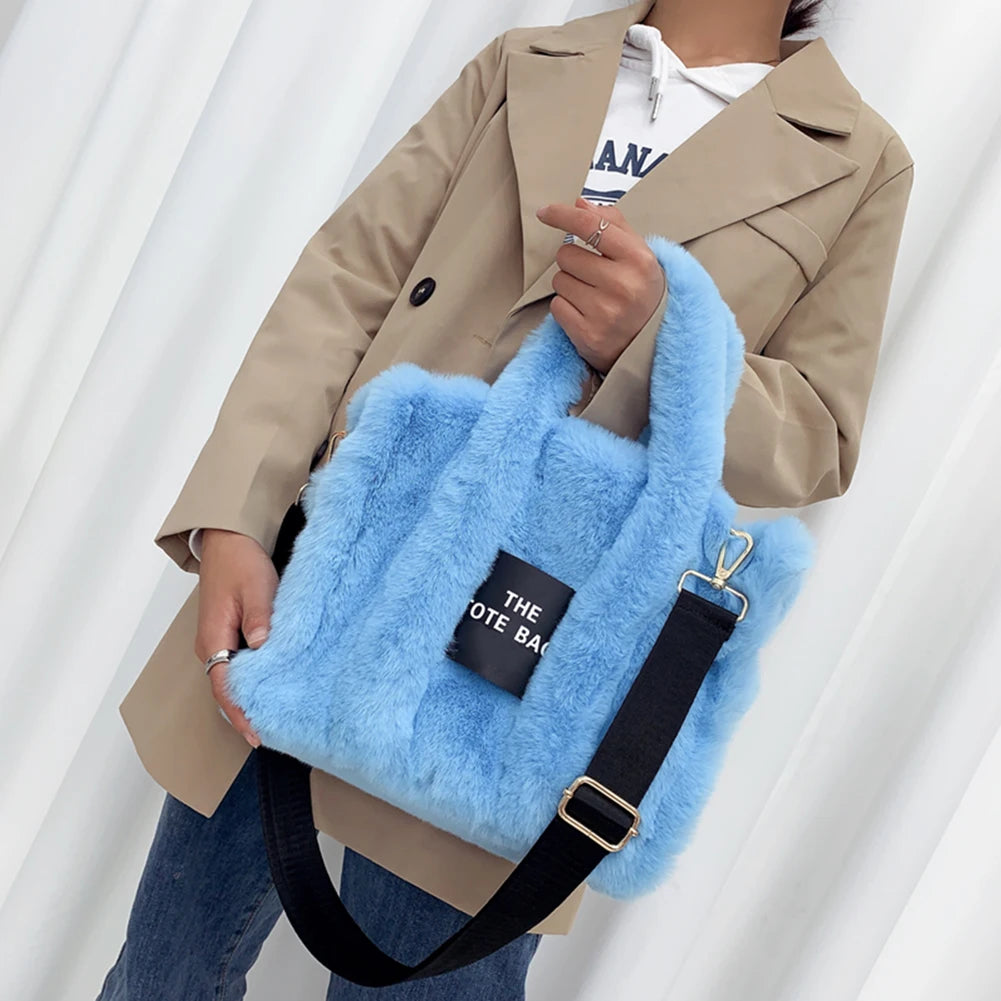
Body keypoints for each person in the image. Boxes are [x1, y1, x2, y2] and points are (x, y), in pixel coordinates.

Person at [103, 0, 915, 997]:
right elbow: (348, 277)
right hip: (325, 570)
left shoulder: (856, 159)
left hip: (520, 652)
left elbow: (815, 437)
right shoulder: (526, 61)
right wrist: (235, 514)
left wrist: (656, 344)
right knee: (162, 977)